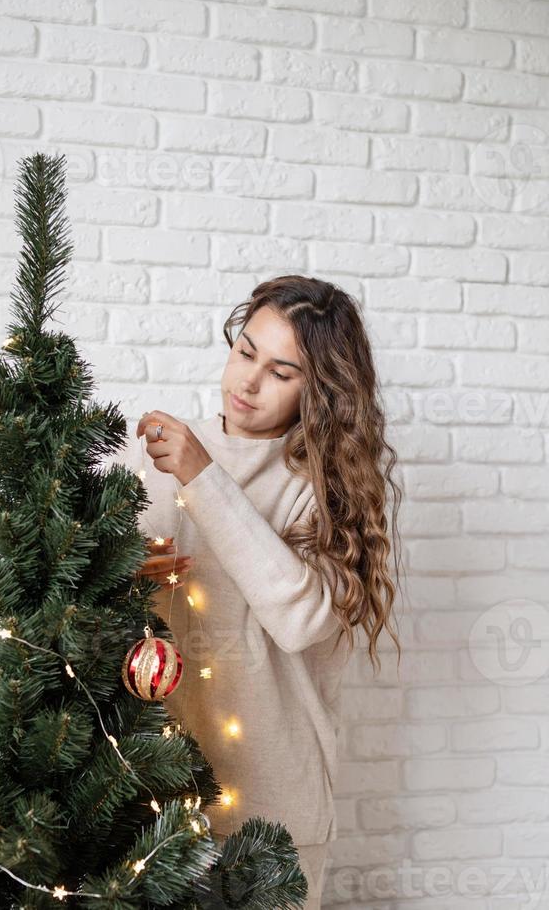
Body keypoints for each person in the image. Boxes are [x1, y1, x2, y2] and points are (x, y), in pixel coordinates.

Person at [104, 275, 403, 909]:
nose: (248, 382)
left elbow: (299, 617)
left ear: (318, 391)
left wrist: (202, 476)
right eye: (245, 352)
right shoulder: (155, 465)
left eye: (281, 371)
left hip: (273, 811)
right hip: (149, 804)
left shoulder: (323, 486)